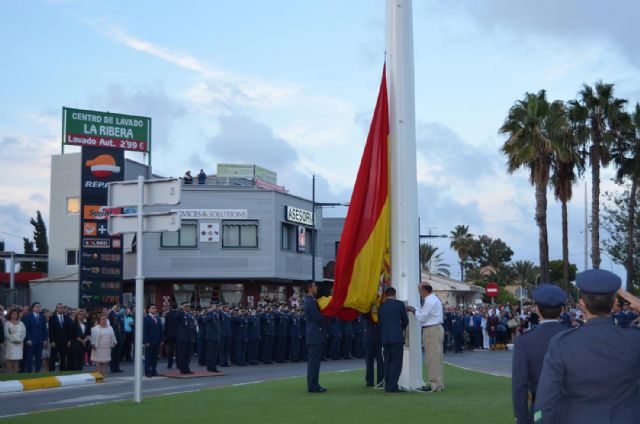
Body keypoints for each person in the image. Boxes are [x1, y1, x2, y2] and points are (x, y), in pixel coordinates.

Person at [534, 269, 640, 423]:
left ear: (582, 304)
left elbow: (545, 403)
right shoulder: (634, 339)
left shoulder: (563, 343)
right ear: (615, 303)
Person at [512, 284, 568, 424]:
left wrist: (522, 419)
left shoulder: (524, 342)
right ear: (562, 309)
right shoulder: (575, 336)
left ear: (536, 309)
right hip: (573, 410)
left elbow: (520, 387)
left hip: (540, 411)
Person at [411, 284, 444, 392]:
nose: (419, 293)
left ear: (424, 290)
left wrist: (413, 310)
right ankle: (437, 382)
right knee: (435, 357)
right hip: (435, 328)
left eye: (419, 291)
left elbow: (422, 317)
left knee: (432, 358)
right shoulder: (433, 299)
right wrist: (416, 309)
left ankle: (435, 384)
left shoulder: (429, 300)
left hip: (431, 329)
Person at [378, 287, 409, 392]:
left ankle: (388, 384)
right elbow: (405, 320)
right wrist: (400, 328)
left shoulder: (381, 307)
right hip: (397, 337)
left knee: (387, 362)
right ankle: (392, 386)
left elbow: (380, 322)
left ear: (386, 295)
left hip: (385, 337)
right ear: (395, 294)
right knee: (396, 362)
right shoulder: (399, 305)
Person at [304, 281, 326, 393]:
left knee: (315, 362)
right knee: (314, 362)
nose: (316, 287)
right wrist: (328, 315)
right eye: (314, 286)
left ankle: (314, 384)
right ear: (310, 288)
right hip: (315, 335)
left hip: (314, 335)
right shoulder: (311, 301)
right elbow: (318, 318)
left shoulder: (311, 301)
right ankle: (313, 385)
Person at [23, 302, 48, 373]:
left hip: (40, 340)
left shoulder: (42, 316)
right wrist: (27, 339)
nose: (38, 308)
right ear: (33, 308)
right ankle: (29, 372)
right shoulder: (28, 316)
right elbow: (26, 329)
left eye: (39, 307)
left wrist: (45, 339)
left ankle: (37, 372)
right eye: (37, 307)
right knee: (29, 358)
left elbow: (44, 329)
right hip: (31, 341)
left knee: (39, 358)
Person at [49, 303, 73, 371]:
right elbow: (50, 331)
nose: (61, 309)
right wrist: (52, 341)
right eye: (60, 307)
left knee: (63, 358)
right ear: (56, 309)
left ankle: (62, 372)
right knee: (53, 358)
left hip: (64, 341)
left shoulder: (67, 318)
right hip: (55, 342)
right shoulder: (52, 318)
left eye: (62, 307)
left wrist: (69, 340)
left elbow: (69, 331)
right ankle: (51, 372)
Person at [363, 312, 384, 387]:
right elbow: (363, 315)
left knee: (380, 361)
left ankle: (380, 380)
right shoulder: (367, 310)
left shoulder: (381, 308)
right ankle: (369, 381)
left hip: (379, 337)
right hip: (369, 336)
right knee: (369, 360)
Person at [176, 302, 197, 374]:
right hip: (182, 337)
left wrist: (194, 336)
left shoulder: (190, 315)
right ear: (183, 307)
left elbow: (193, 325)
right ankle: (183, 369)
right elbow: (177, 316)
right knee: (182, 354)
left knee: (188, 354)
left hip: (190, 337)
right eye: (186, 306)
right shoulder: (180, 314)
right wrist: (181, 309)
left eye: (188, 306)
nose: (188, 308)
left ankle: (187, 368)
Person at [143, 304, 163, 377]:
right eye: (153, 308)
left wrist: (161, 340)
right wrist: (146, 341)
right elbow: (145, 331)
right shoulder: (146, 318)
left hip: (157, 340)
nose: (154, 309)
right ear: (149, 310)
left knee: (155, 357)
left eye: (155, 308)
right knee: (148, 357)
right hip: (149, 341)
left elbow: (160, 330)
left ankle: (154, 370)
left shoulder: (157, 318)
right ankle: (147, 371)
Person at [4, 309, 26, 373]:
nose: (15, 315)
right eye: (13, 314)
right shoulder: (7, 323)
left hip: (19, 343)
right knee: (10, 360)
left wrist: (20, 340)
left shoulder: (21, 323)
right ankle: (10, 375)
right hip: (11, 344)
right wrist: (13, 340)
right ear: (10, 315)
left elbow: (24, 332)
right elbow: (7, 333)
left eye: (16, 314)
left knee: (17, 360)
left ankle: (15, 375)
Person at [204, 304, 221, 372]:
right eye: (216, 306)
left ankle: (214, 367)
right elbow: (207, 320)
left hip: (216, 336)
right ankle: (209, 367)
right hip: (210, 336)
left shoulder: (216, 314)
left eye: (217, 306)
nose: (217, 307)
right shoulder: (210, 313)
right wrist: (211, 311)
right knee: (210, 353)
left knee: (214, 353)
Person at [108, 304, 124, 373]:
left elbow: (122, 325)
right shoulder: (111, 314)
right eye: (117, 307)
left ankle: (117, 367)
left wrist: (123, 335)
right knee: (113, 352)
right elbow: (109, 320)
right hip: (113, 335)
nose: (118, 308)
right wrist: (112, 310)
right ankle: (113, 368)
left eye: (119, 307)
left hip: (119, 335)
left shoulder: (120, 315)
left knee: (118, 353)